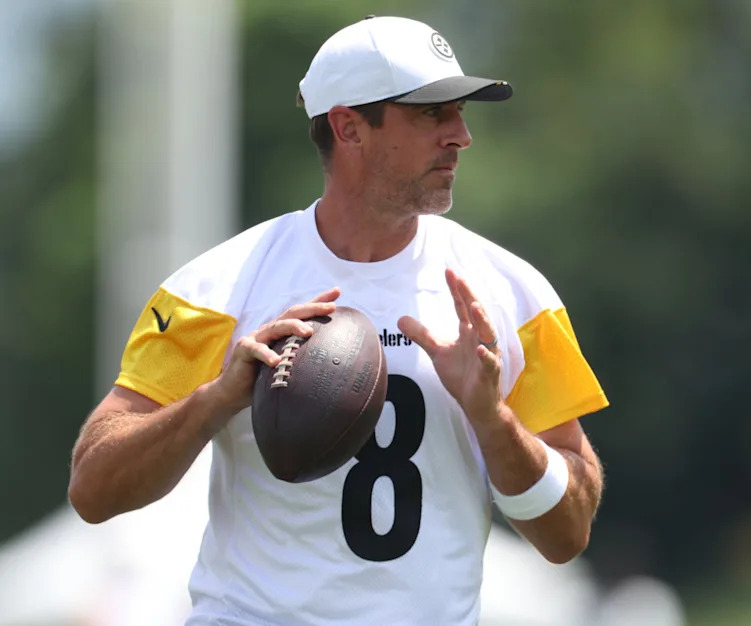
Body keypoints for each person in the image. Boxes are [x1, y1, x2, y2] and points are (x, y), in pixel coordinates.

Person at [68, 15, 608, 625]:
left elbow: (568, 535)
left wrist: (491, 418)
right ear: (349, 126)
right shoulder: (214, 290)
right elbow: (93, 488)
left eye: (460, 112)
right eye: (432, 114)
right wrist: (215, 401)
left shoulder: (513, 294)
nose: (461, 136)